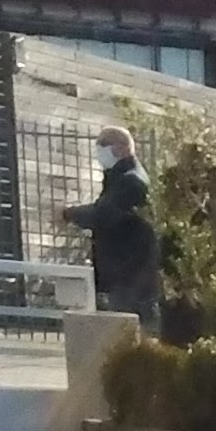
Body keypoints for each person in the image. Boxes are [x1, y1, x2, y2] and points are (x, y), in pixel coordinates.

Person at [64, 121, 161, 333]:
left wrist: (69, 214)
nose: (100, 151)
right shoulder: (119, 179)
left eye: (105, 144)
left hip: (130, 273)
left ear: (123, 147)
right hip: (124, 272)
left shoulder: (131, 182)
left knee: (128, 331)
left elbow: (103, 214)